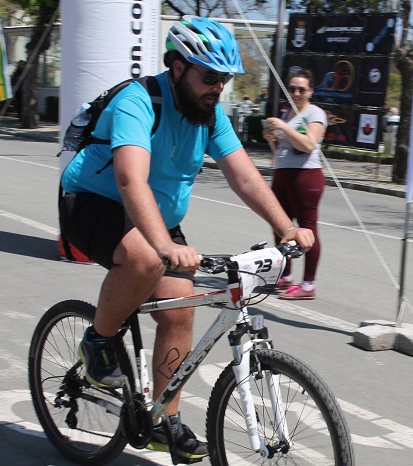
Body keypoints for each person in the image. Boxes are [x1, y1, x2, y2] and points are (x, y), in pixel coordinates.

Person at [59, 16, 314, 461]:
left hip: (153, 217)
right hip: (94, 201)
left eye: (224, 79)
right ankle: (97, 342)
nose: (218, 88)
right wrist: (162, 246)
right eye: (209, 77)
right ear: (177, 67)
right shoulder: (139, 101)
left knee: (180, 311)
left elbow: (247, 179)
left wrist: (287, 227)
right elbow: (129, 180)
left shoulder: (209, 115)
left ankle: (163, 422)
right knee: (146, 259)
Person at [262, 69, 327, 300]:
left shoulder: (314, 113)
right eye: (292, 89)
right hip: (283, 173)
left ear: (310, 91)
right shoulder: (288, 113)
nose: (296, 93)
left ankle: (308, 285)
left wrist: (285, 127)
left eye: (301, 89)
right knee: (281, 226)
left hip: (306, 177)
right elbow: (280, 152)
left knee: (308, 229)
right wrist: (273, 139)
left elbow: (309, 145)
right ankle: (285, 276)